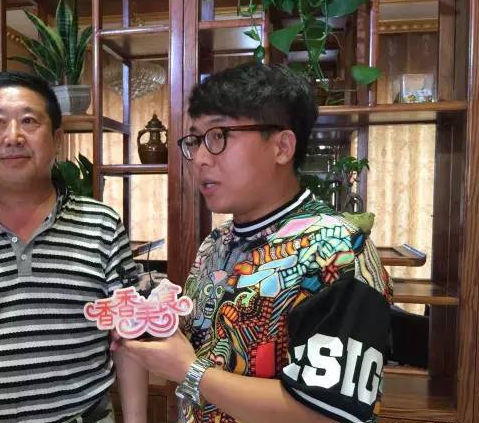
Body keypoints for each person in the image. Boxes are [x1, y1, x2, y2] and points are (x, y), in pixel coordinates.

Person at [119, 62, 392, 423]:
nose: (200, 158)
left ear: (282, 147)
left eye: (219, 136)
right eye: (195, 140)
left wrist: (189, 370)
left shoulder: (340, 252)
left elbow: (328, 412)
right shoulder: (215, 244)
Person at [0, 71, 148, 423]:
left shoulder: (103, 226)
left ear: (57, 138)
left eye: (29, 121)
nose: (13, 136)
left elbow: (128, 340)